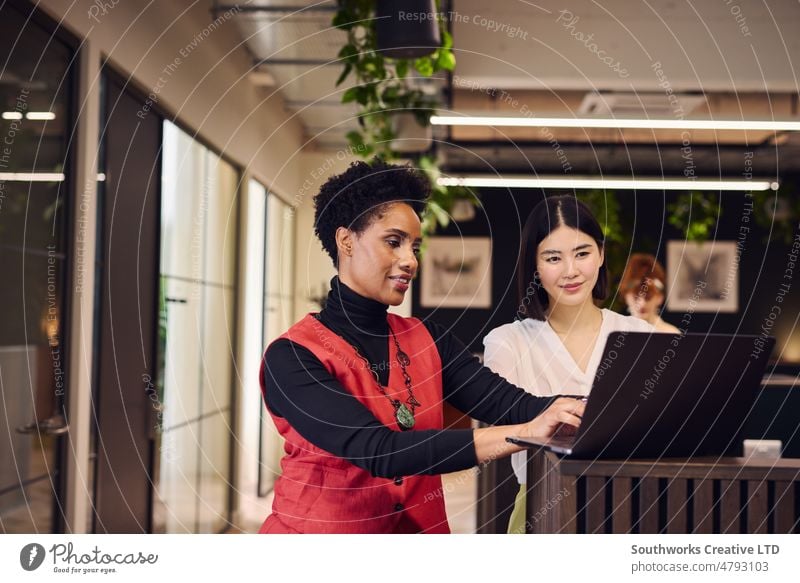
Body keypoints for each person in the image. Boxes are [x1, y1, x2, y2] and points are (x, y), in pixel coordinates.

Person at [259, 160, 585, 534]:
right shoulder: (291, 356)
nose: (410, 260)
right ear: (346, 240)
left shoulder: (429, 339)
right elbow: (380, 451)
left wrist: (591, 408)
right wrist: (526, 432)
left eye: (414, 246)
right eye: (393, 242)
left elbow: (510, 403)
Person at [482, 195, 655, 534]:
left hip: (631, 508)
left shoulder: (640, 335)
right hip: (543, 509)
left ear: (601, 254)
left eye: (582, 253)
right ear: (534, 264)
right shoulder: (508, 342)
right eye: (553, 258)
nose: (571, 270)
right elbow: (496, 437)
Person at [619, 253, 680, 333]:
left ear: (659, 298)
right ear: (626, 296)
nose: (642, 303)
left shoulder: (671, 334)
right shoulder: (615, 332)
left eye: (648, 297)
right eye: (636, 297)